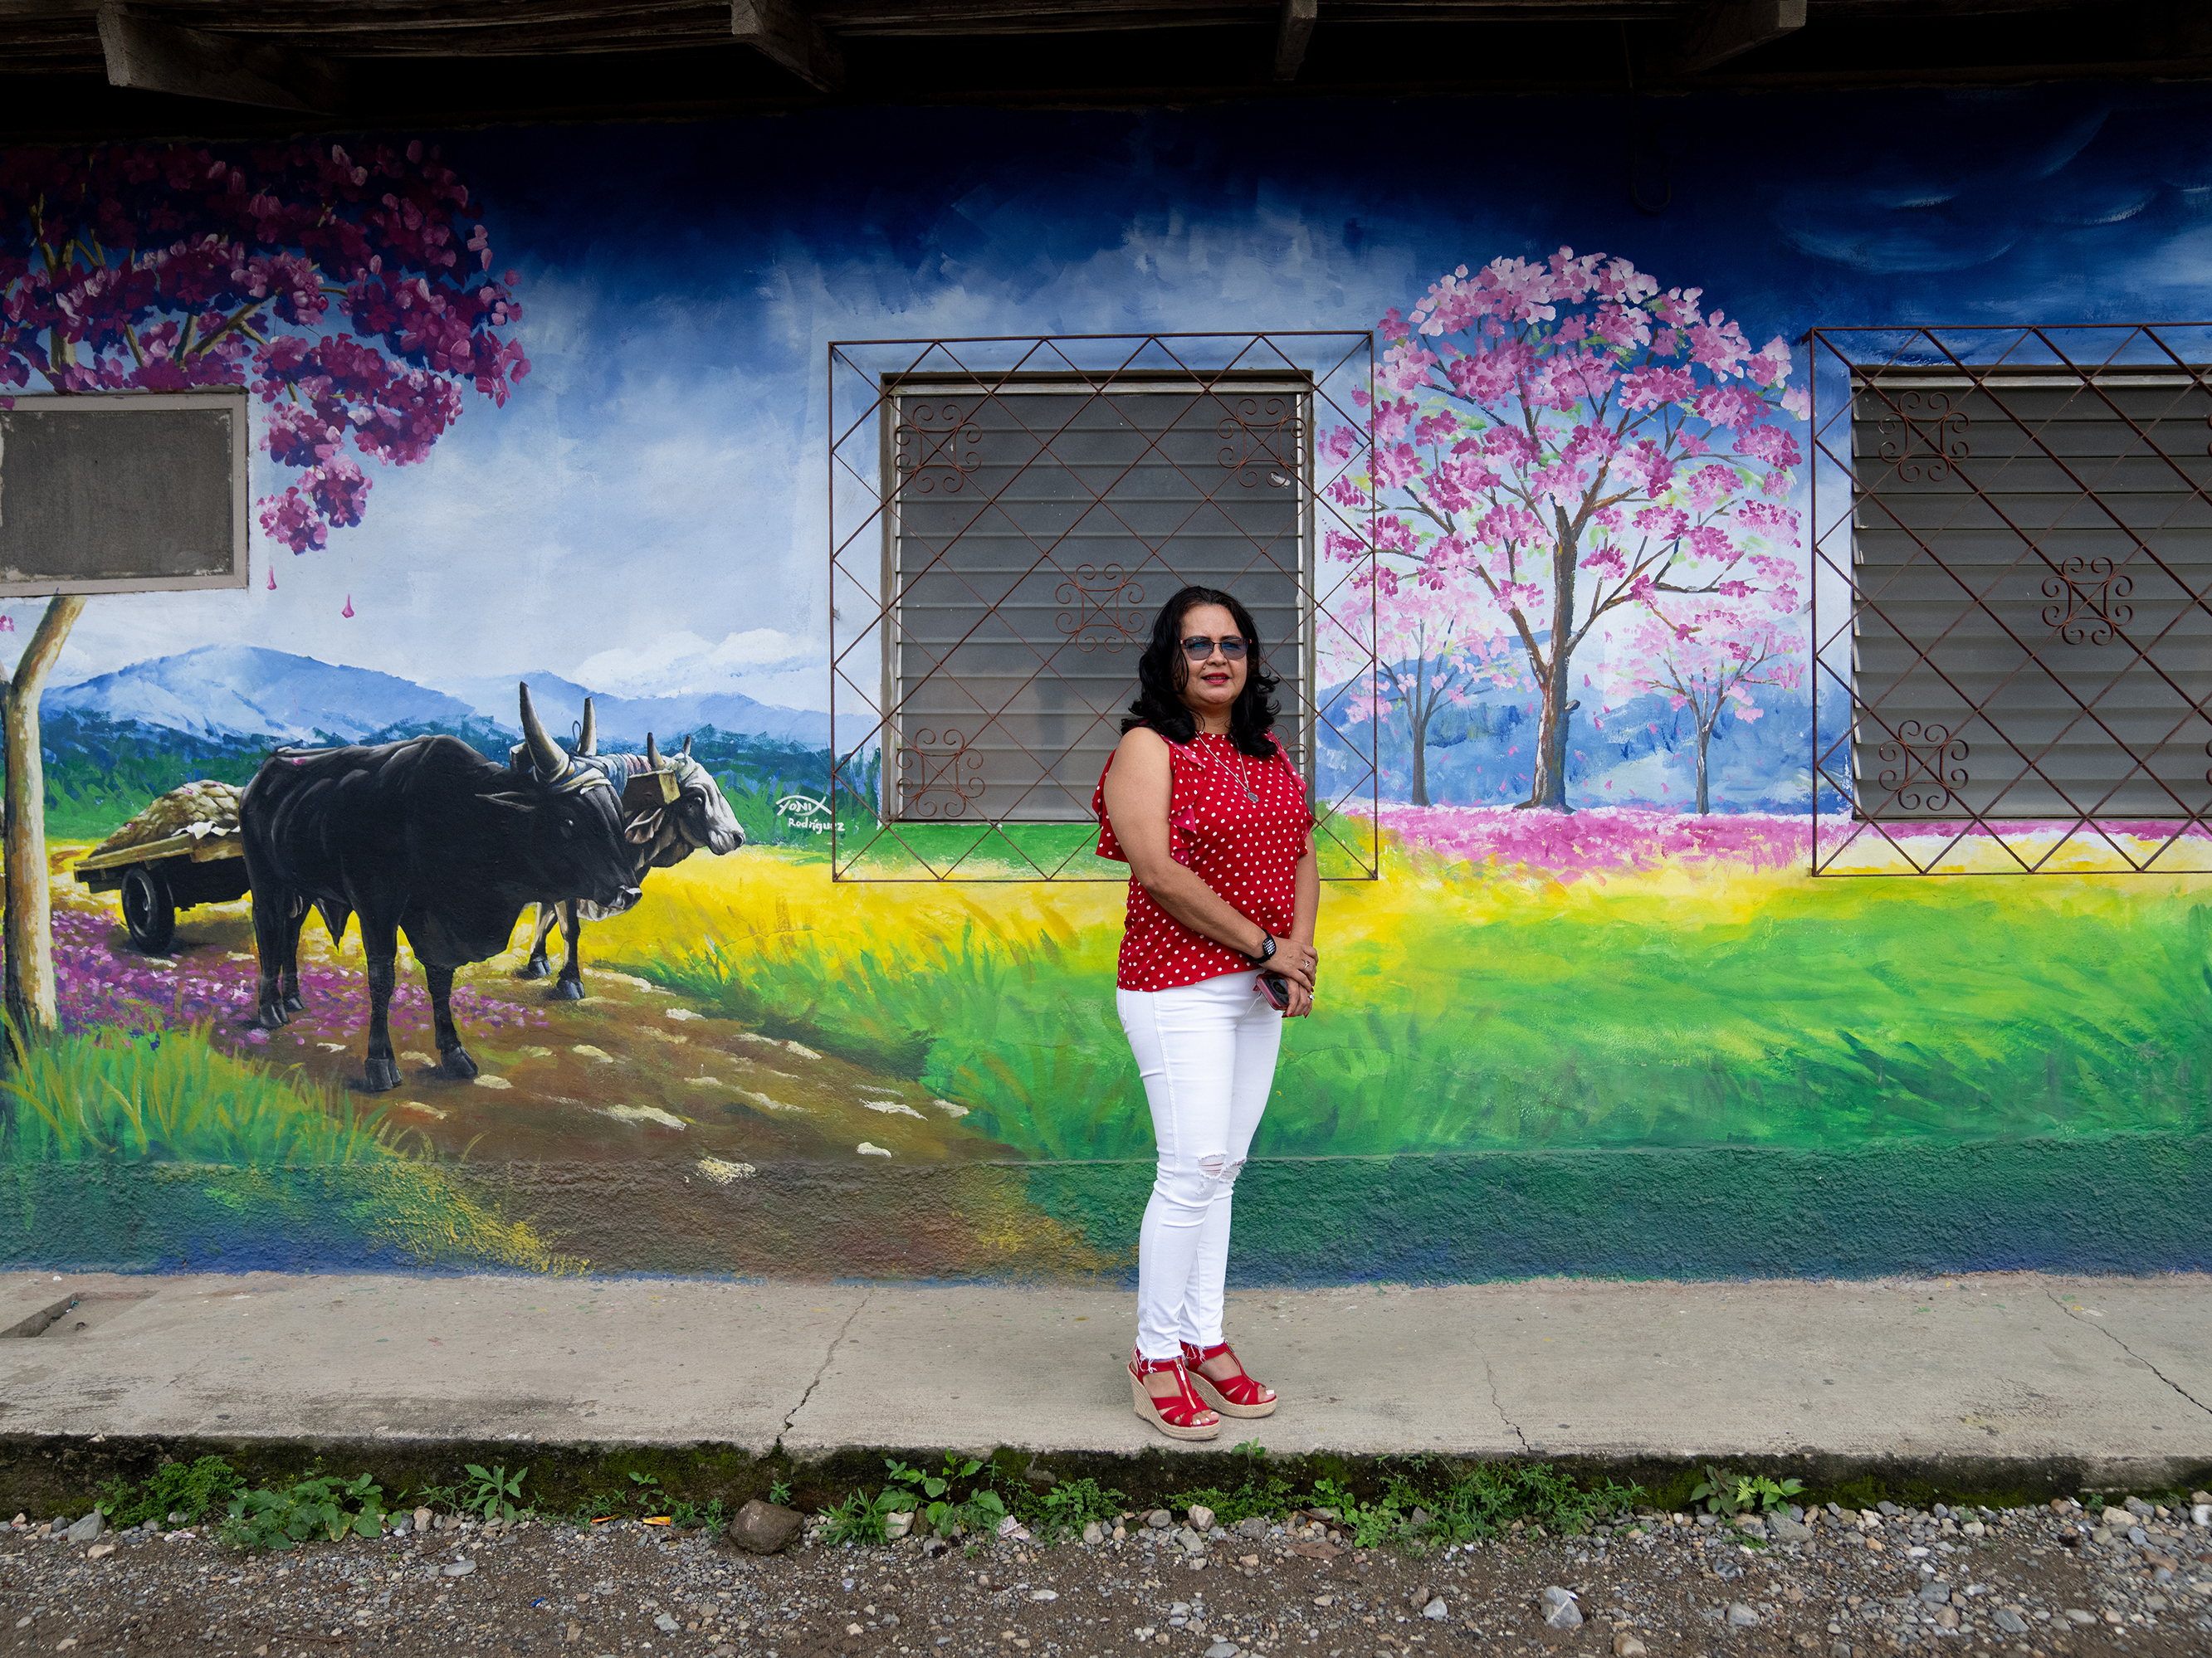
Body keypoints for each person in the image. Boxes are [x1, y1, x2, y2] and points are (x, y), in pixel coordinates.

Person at [1093, 584, 1320, 1441]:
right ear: (1169, 659)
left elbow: (1301, 854)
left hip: (1254, 985)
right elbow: (1157, 871)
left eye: (1232, 643)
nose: (1217, 657)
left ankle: (1202, 1335)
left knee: (1221, 1168)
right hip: (1176, 984)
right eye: (1197, 646)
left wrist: (1294, 954)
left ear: (1251, 659)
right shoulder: (1148, 748)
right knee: (1190, 1169)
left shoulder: (1268, 752)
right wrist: (1265, 947)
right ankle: (1154, 1355)